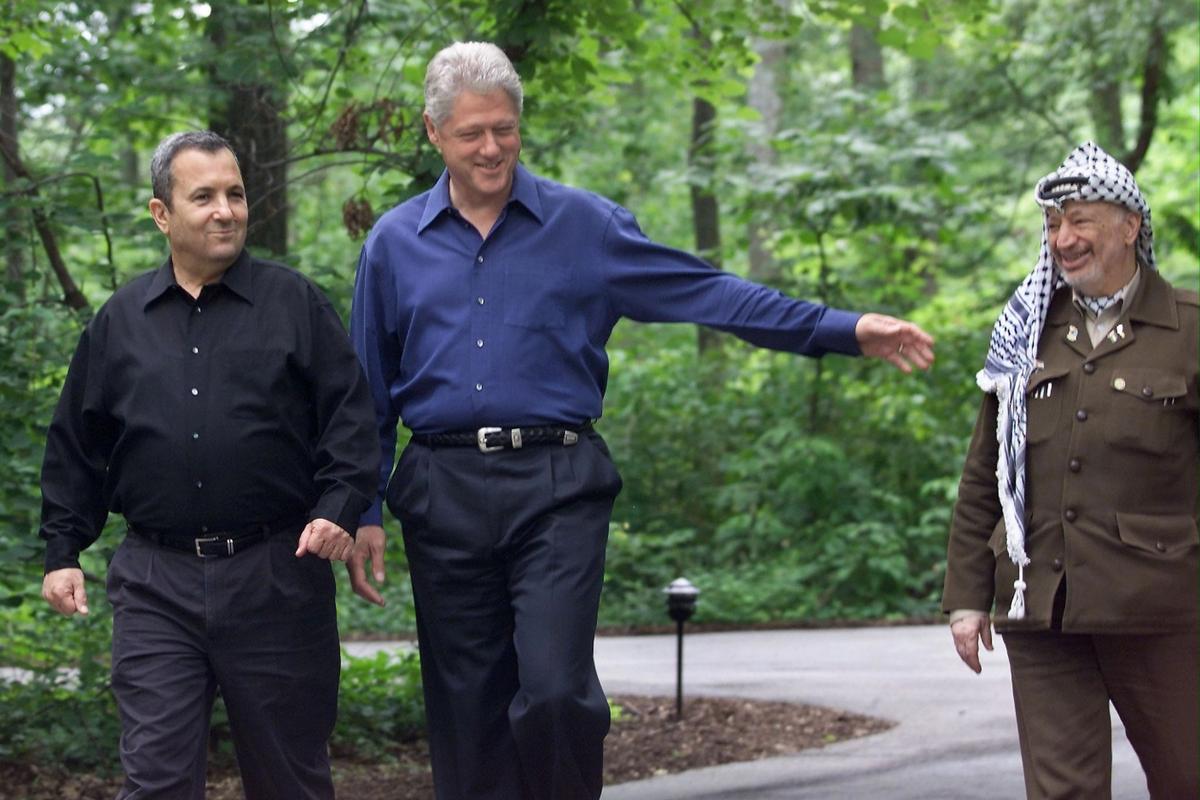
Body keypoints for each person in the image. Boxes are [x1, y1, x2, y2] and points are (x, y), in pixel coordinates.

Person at [348, 41, 935, 800]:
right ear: (434, 133)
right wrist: (363, 507)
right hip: (442, 488)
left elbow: (710, 293)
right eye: (471, 134)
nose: (491, 148)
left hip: (557, 486)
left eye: (505, 129)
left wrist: (841, 328)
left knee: (556, 692)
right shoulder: (393, 244)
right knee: (466, 712)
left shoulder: (584, 228)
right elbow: (367, 391)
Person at [38, 130, 380, 799]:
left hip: (277, 575)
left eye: (236, 194)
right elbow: (77, 445)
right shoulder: (120, 322)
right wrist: (62, 551)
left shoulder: (296, 305)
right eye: (204, 197)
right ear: (161, 214)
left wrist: (339, 509)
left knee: (291, 781)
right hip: (155, 585)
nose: (226, 210)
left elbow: (351, 421)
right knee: (156, 781)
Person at [943, 142, 1198, 799]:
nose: (1063, 239)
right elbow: (986, 473)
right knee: (1063, 793)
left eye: (1080, 220)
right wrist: (968, 596)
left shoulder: (1190, 329)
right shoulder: (1025, 330)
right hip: (1041, 604)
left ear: (1130, 227)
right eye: (1054, 224)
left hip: (1162, 606)